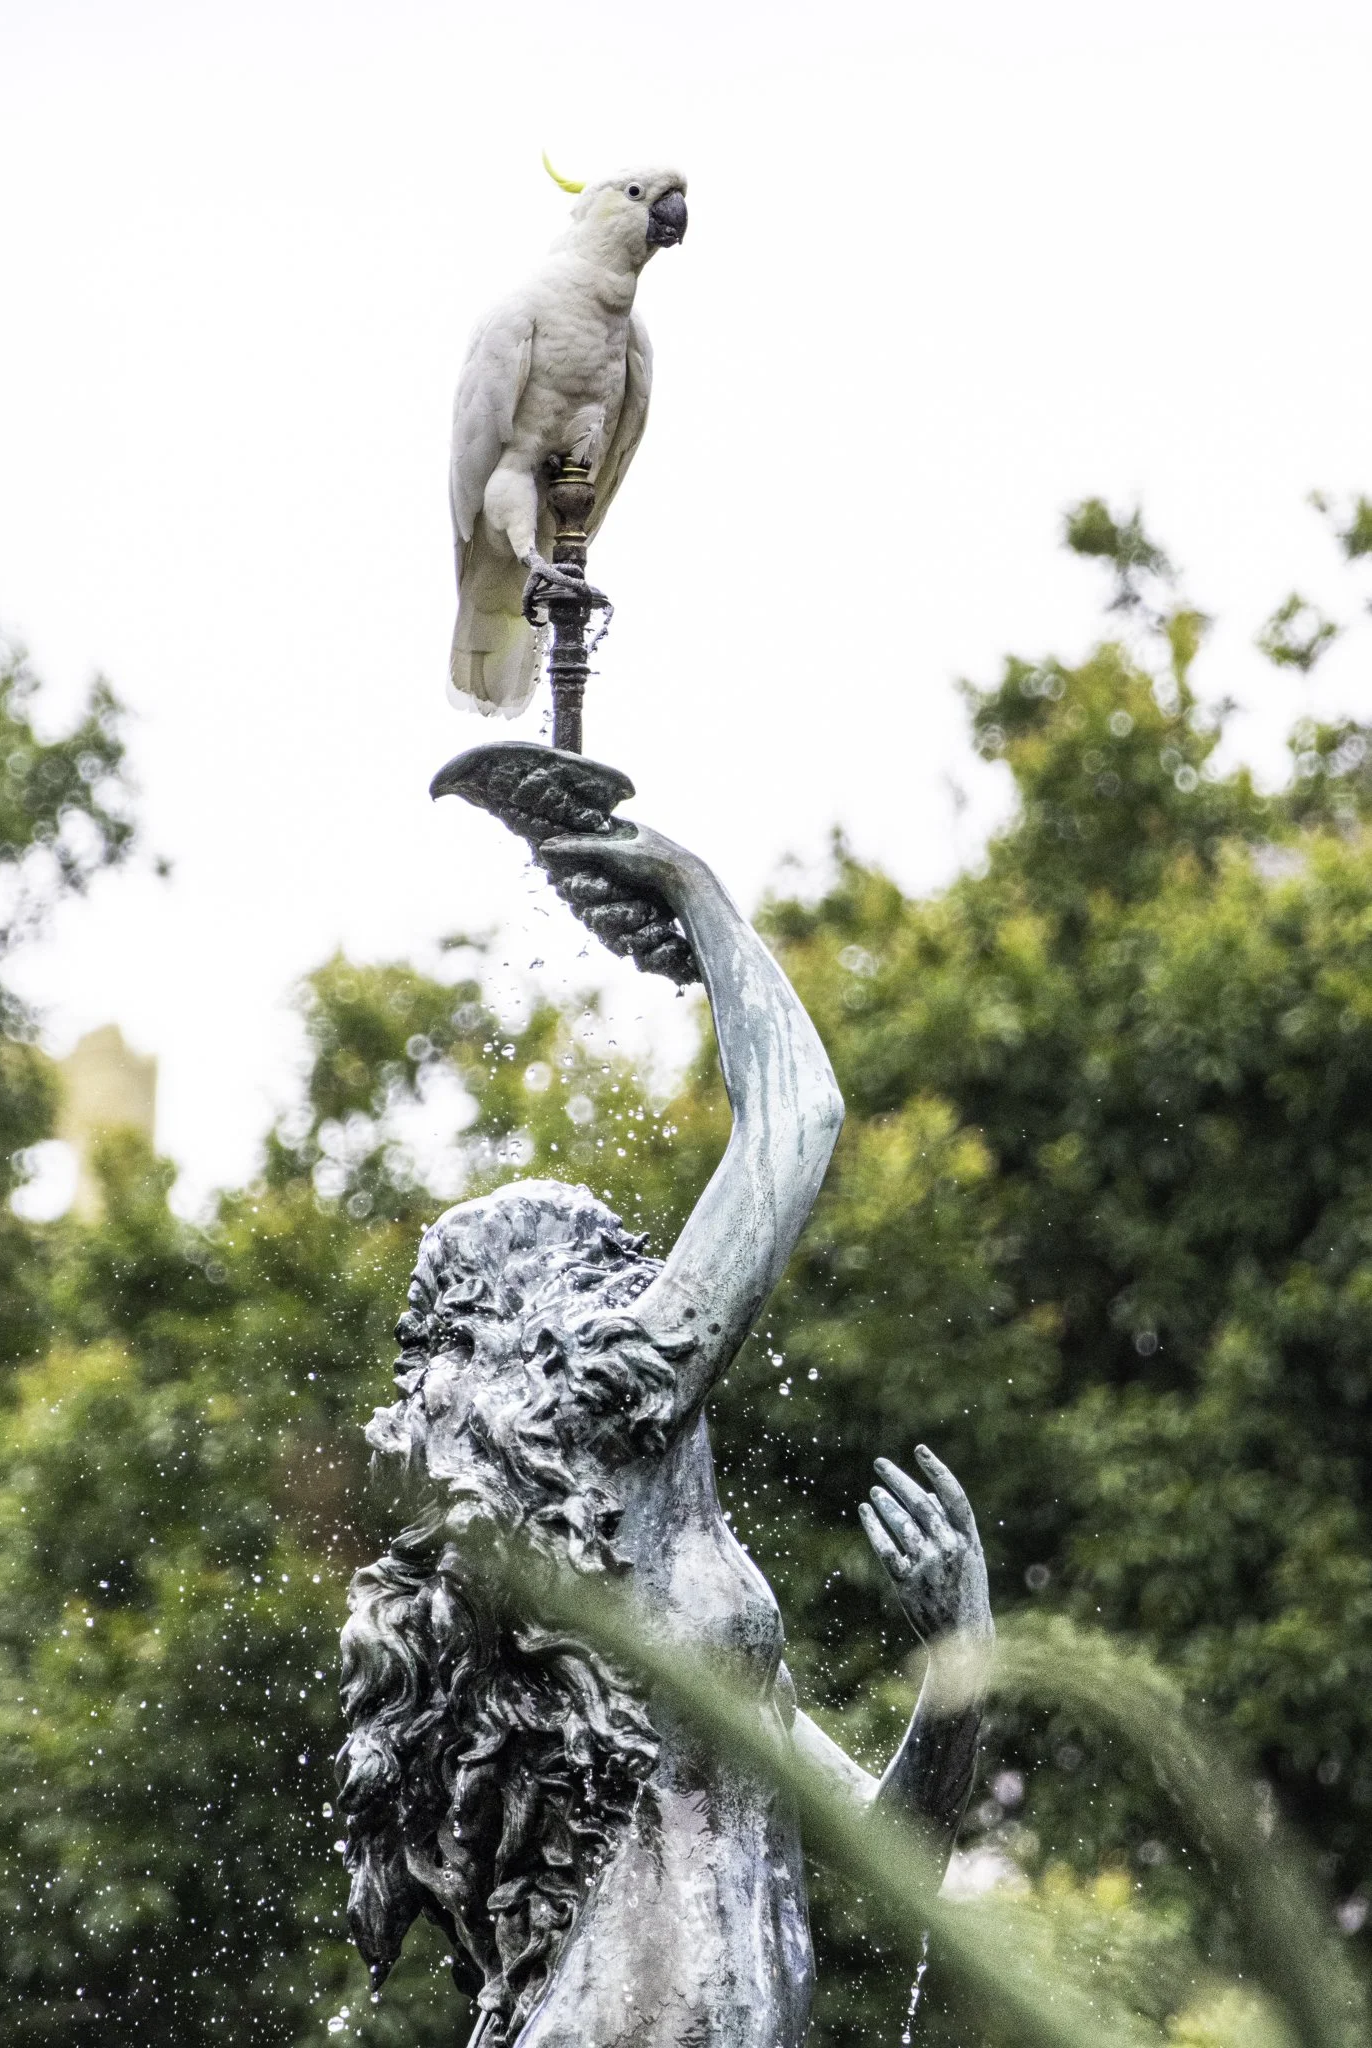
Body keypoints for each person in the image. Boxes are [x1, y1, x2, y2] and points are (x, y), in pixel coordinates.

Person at [336, 818, 993, 2048]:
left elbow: (894, 1846)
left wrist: (958, 1659)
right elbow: (797, 1118)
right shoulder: (591, 1421)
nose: (655, 1279)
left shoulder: (672, 1596)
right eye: (611, 1264)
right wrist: (691, 893)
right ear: (545, 1323)